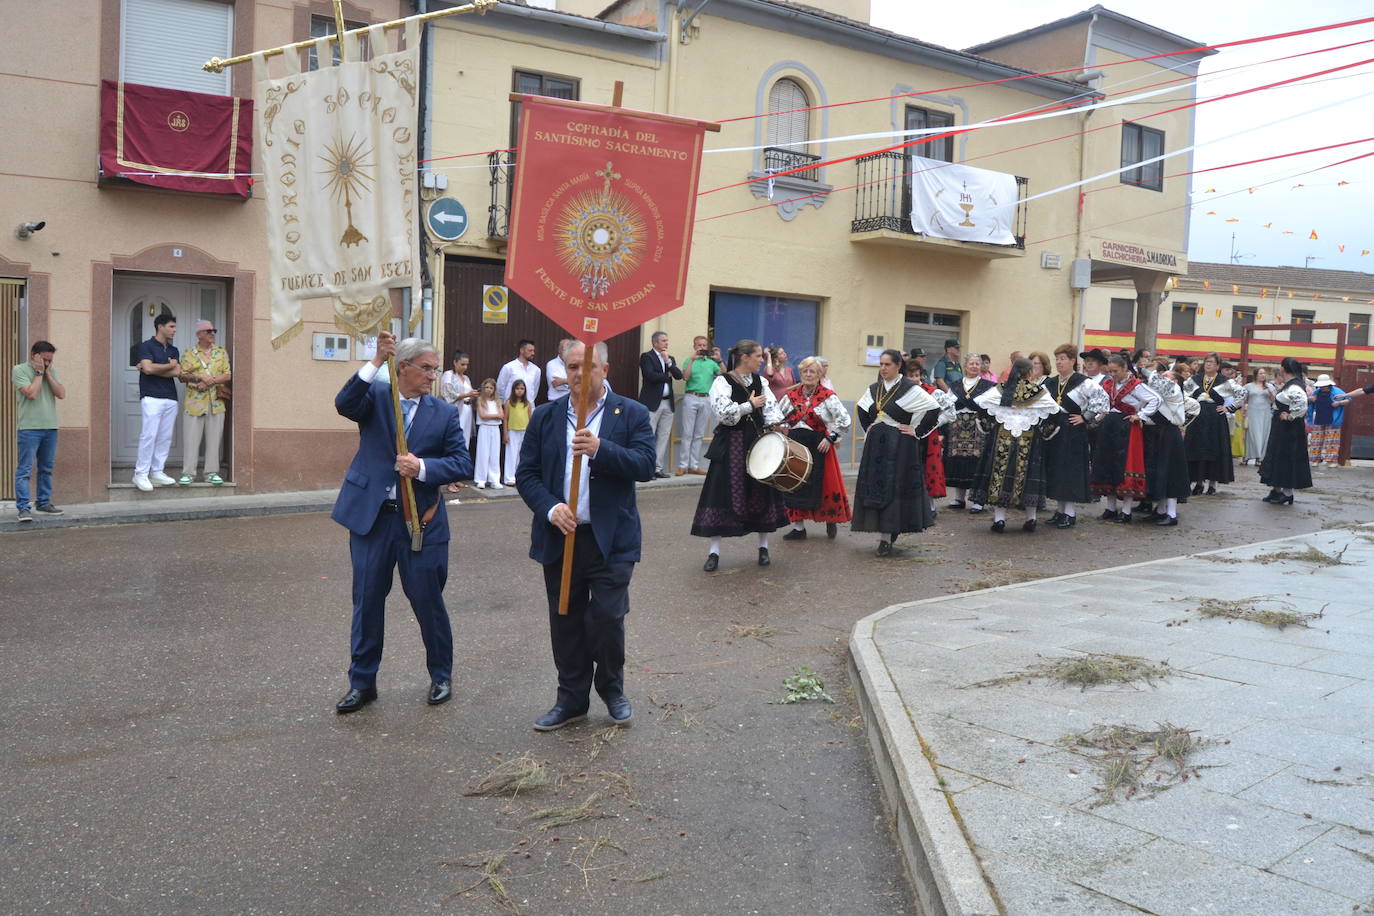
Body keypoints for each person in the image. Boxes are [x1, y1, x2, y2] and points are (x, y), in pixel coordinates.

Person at [516, 340, 655, 731]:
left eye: (587, 366)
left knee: (608, 618)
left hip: (611, 540)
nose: (579, 373)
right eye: (572, 366)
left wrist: (600, 449)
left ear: (604, 371)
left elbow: (646, 465)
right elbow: (526, 475)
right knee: (565, 619)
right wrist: (550, 507)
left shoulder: (631, 414)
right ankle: (571, 699)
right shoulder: (545, 416)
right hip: (561, 536)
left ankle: (612, 689)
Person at [330, 332, 471, 714]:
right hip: (373, 521)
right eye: (426, 369)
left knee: (428, 602)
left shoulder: (442, 412)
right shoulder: (376, 398)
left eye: (435, 371)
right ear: (402, 368)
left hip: (420, 523)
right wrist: (376, 360)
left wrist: (424, 467)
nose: (432, 377)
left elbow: (463, 463)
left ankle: (441, 676)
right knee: (367, 602)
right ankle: (362, 683)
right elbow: (344, 402)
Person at [691, 339, 790, 571]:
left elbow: (771, 407)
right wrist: (749, 405)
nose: (761, 360)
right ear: (745, 357)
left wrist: (776, 423)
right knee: (722, 493)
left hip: (757, 442)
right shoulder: (722, 381)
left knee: (761, 490)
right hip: (732, 443)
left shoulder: (761, 381)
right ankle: (714, 552)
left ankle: (763, 548)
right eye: (758, 356)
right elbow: (723, 414)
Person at [853, 349, 940, 556]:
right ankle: (882, 531)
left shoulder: (910, 388)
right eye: (881, 364)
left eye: (887, 364)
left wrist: (916, 431)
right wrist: (870, 428)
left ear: (898, 365)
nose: (883, 368)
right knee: (877, 485)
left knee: (895, 486)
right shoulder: (875, 388)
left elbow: (933, 408)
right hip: (877, 445)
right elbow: (862, 408)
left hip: (900, 444)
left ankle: (888, 534)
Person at [971, 357, 1060, 532]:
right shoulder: (1038, 391)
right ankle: (1031, 518)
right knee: (1029, 477)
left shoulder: (1001, 390)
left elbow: (981, 406)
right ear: (1029, 372)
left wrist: (989, 425)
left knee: (999, 476)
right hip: (1029, 439)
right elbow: (1054, 413)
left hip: (1002, 438)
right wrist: (1043, 430)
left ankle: (999, 519)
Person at [779, 356, 852, 541]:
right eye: (805, 371)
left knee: (824, 486)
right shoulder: (791, 395)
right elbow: (778, 416)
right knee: (795, 484)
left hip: (819, 445)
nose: (808, 374)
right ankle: (798, 528)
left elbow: (845, 419)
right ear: (800, 373)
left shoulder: (827, 396)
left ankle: (830, 519)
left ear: (820, 374)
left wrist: (831, 438)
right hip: (796, 444)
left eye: (813, 371)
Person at [1091, 354, 1160, 523]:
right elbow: (1101, 402)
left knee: (1125, 466)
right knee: (1108, 465)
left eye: (1115, 371)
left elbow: (1156, 399)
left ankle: (1127, 511)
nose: (1112, 374)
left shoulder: (1136, 385)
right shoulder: (1107, 384)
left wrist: (1141, 415)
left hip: (1126, 427)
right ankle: (1110, 508)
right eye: (1110, 371)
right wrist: (1100, 415)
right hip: (1108, 427)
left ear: (1124, 369)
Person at [1043, 344, 1106, 529]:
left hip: (1073, 429)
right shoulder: (1050, 383)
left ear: (1072, 361)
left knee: (1069, 470)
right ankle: (1060, 511)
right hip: (1055, 429)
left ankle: (1069, 513)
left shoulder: (1083, 382)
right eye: (1057, 359)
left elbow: (1102, 400)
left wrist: (1085, 417)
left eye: (1063, 359)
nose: (1059, 362)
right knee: (1057, 469)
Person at [12, 340, 66, 522]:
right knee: (25, 470)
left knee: (46, 468)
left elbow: (61, 394)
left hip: (50, 427)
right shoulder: (19, 370)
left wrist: (48, 373)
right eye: (44, 360)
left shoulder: (51, 370)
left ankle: (43, 503)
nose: (47, 363)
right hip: (29, 428)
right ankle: (23, 508)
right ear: (34, 356)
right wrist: (38, 373)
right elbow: (32, 394)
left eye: (50, 360)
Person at [176, 320, 231, 486]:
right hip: (194, 402)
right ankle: (188, 473)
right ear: (199, 334)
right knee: (191, 439)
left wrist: (209, 381)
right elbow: (182, 376)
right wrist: (198, 378)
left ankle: (211, 473)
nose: (213, 333)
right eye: (208, 331)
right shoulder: (189, 353)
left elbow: (227, 375)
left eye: (214, 330)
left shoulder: (221, 352)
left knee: (214, 440)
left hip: (216, 402)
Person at [1140, 360, 1194, 526]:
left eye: (1166, 375)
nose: (1162, 377)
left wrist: (1142, 370)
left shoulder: (1175, 389)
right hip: (1156, 433)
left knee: (1170, 473)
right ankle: (1161, 510)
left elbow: (1156, 382)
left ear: (1175, 380)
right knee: (1158, 473)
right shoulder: (1159, 393)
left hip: (1169, 433)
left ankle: (1171, 514)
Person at [133, 313, 182, 492]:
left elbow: (177, 372)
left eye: (175, 327)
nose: (174, 330)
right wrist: (168, 366)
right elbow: (147, 367)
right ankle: (140, 474)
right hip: (151, 396)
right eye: (171, 326)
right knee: (149, 435)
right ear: (160, 326)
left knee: (164, 437)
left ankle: (157, 471)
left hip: (170, 397)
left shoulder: (173, 350)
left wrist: (154, 368)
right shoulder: (146, 346)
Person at [943, 354, 996, 511]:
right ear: (965, 366)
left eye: (977, 364)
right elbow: (947, 404)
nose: (974, 366)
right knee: (958, 460)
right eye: (971, 363)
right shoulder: (955, 385)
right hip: (957, 428)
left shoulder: (988, 386)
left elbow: (990, 406)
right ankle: (959, 499)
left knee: (978, 462)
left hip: (978, 428)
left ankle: (978, 501)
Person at [1187, 353, 1242, 495]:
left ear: (1218, 366)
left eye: (1211, 362)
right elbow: (1183, 394)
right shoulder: (1195, 379)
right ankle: (1198, 482)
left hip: (1215, 418)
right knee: (1197, 448)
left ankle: (1212, 484)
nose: (1208, 364)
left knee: (1214, 449)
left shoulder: (1225, 381)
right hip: (1197, 416)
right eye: (1206, 361)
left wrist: (1229, 408)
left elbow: (1242, 394)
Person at [1261, 357, 1313, 505]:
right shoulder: (1291, 384)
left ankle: (1286, 493)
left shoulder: (1294, 386)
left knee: (1286, 458)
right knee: (1278, 456)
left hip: (1289, 429)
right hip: (1283, 427)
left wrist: (1290, 416)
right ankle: (1277, 490)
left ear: (1284, 369)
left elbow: (1302, 402)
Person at [638, 331, 682, 479]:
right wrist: (666, 375)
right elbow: (649, 376)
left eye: (667, 341)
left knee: (663, 436)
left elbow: (678, 375)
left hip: (667, 403)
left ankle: (658, 468)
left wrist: (668, 363)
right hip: (651, 402)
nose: (666, 343)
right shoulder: (647, 357)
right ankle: (647, 468)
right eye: (663, 341)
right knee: (649, 435)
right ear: (655, 343)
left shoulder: (670, 358)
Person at [677, 336, 722, 476]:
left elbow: (723, 374)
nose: (702, 348)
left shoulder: (711, 362)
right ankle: (683, 465)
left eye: (704, 345)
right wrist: (692, 359)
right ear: (694, 346)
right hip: (691, 397)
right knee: (687, 433)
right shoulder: (689, 361)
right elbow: (685, 377)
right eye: (699, 345)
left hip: (706, 399)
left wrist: (719, 359)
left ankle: (694, 466)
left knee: (699, 434)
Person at [1306, 374, 1345, 466]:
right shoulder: (1316, 392)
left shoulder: (1337, 391)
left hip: (1332, 418)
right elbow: (1308, 400)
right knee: (1316, 440)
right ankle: (1315, 460)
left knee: (1332, 440)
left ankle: (1331, 460)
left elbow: (1348, 399)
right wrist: (1311, 399)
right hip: (1319, 417)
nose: (1322, 387)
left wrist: (1339, 403)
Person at [473, 378, 504, 489]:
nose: (488, 390)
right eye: (486, 387)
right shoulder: (480, 400)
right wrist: (495, 416)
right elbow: (482, 416)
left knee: (494, 454)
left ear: (494, 389)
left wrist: (492, 416)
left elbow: (501, 415)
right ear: (483, 388)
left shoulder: (498, 401)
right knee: (483, 453)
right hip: (484, 428)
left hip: (495, 429)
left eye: (491, 388)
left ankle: (494, 479)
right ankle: (481, 479)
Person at [1242, 368, 1275, 466]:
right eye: (1261, 373)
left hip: (1265, 413)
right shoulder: (1248, 386)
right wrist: (1243, 413)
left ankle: (1260, 457)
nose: (1263, 375)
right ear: (1256, 375)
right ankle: (1247, 456)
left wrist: (1271, 394)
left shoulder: (1269, 386)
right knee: (1252, 434)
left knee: (1264, 435)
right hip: (1252, 412)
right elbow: (1243, 400)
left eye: (1264, 373)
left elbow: (1273, 400)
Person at [503, 379, 532, 486]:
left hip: (524, 431)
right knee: (511, 454)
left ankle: (519, 476)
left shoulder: (527, 404)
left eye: (522, 388)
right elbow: (505, 418)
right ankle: (509, 477)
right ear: (513, 390)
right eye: (517, 388)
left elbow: (530, 419)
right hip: (512, 430)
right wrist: (505, 433)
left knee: (521, 454)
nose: (520, 391)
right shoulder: (509, 402)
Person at [497, 339, 541, 404]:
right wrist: (505, 404)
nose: (533, 353)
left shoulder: (536, 370)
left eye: (533, 351)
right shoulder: (509, 367)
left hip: (529, 408)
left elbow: (535, 390)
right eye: (530, 350)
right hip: (511, 406)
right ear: (522, 350)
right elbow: (500, 388)